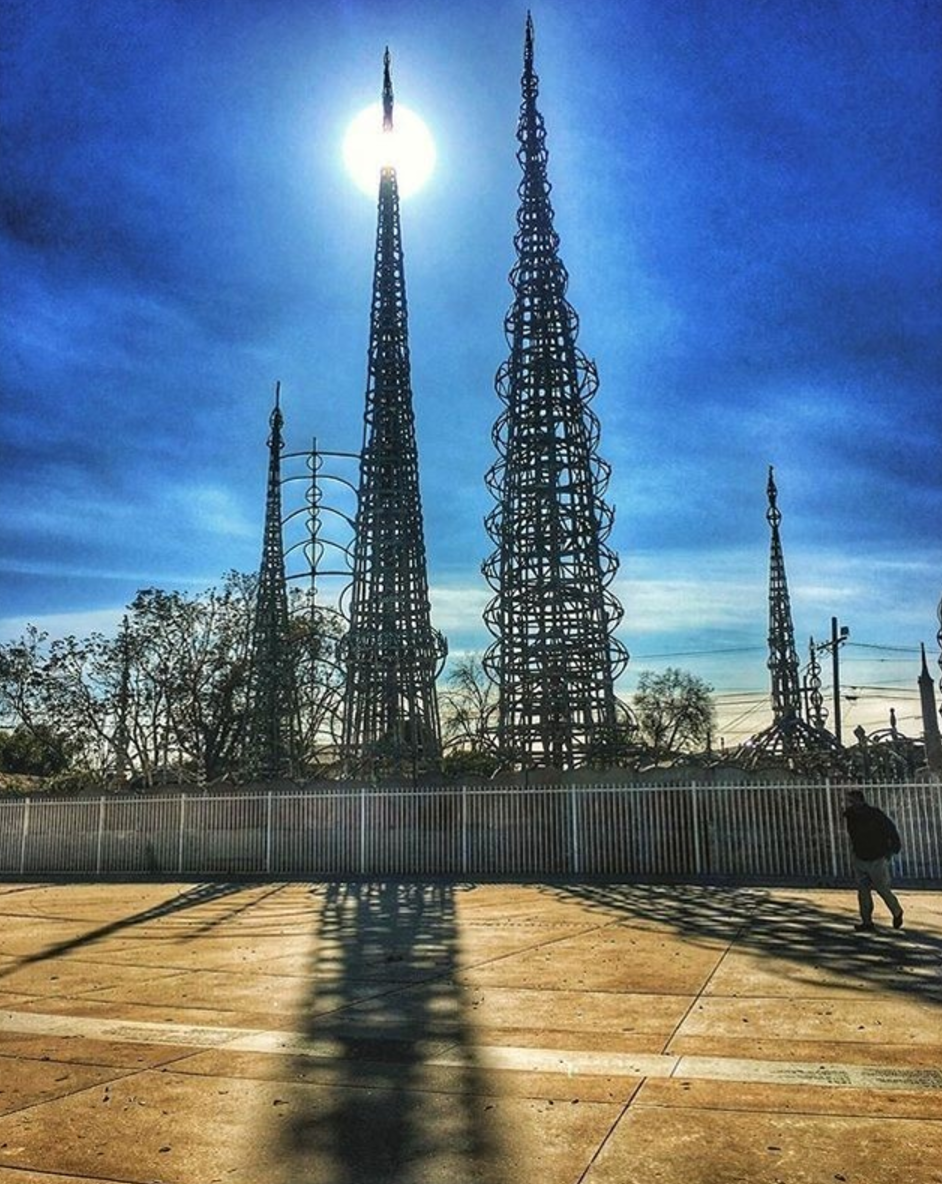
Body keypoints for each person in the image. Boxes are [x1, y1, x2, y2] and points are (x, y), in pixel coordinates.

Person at [843, 789, 904, 932]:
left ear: (860, 800)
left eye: (852, 800)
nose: (849, 804)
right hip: (860, 856)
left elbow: (890, 829)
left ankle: (897, 912)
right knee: (863, 892)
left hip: (877, 857)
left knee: (882, 888)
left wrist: (893, 848)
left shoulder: (874, 814)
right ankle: (867, 921)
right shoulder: (851, 815)